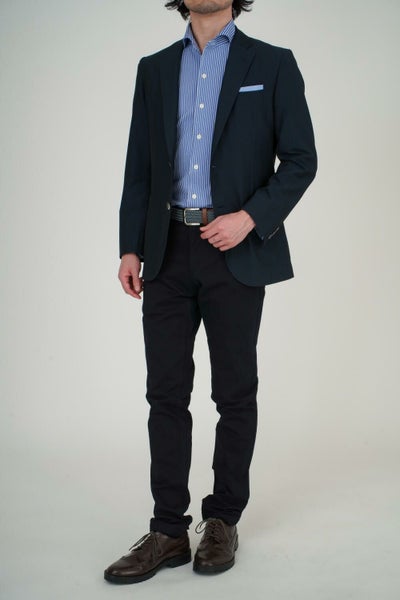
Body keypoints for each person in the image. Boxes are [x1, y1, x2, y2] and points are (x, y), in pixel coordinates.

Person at [104, 0, 317, 585]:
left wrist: (250, 218)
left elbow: (301, 160)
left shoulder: (272, 64)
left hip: (235, 252)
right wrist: (130, 246)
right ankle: (168, 529)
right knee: (165, 393)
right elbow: (139, 166)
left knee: (234, 392)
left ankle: (222, 520)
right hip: (166, 250)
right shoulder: (154, 69)